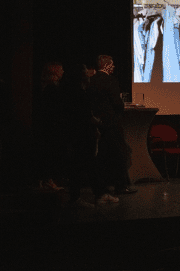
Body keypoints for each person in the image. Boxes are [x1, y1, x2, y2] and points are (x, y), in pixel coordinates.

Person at [63, 63, 118, 207]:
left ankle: (91, 195)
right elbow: (86, 116)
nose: (89, 74)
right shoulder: (80, 94)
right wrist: (99, 123)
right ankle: (95, 195)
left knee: (84, 166)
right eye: (86, 72)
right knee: (87, 165)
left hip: (77, 134)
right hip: (83, 134)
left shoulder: (72, 92)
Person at [88, 55, 137, 194]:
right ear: (106, 65)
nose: (114, 67)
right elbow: (117, 103)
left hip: (98, 122)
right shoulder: (110, 80)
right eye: (112, 64)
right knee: (119, 153)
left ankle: (103, 185)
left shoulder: (91, 80)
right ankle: (121, 186)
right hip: (111, 122)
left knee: (102, 155)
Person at [36, 61, 67, 191]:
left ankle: (46, 180)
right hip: (52, 127)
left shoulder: (46, 87)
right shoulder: (52, 89)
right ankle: (48, 180)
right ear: (55, 72)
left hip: (48, 126)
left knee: (48, 153)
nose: (63, 72)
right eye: (61, 70)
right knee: (50, 154)